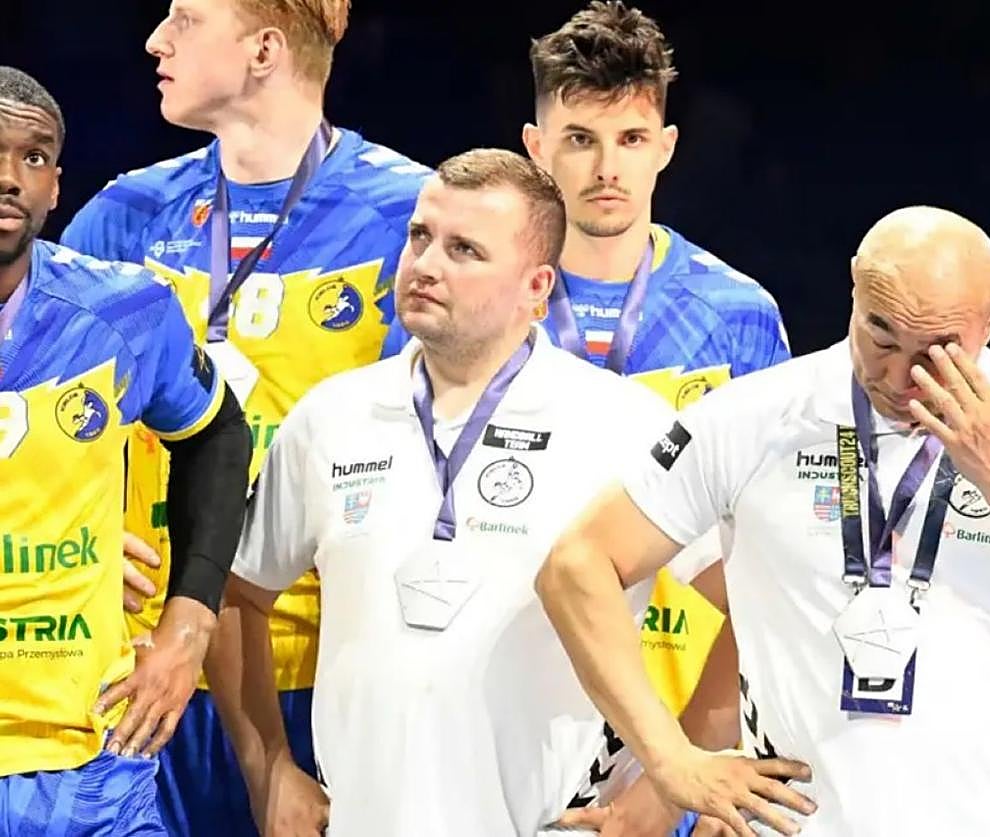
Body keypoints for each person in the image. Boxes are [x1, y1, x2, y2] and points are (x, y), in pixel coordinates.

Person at [536, 205, 990, 837]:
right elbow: (578, 566)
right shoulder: (754, 416)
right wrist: (669, 762)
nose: (901, 376)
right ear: (854, 285)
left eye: (937, 351)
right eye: (881, 334)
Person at [208, 147, 728, 835]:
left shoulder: (622, 423)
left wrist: (671, 784)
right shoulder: (331, 417)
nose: (425, 264)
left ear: (536, 287)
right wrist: (268, 766)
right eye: (419, 236)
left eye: (464, 250)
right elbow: (238, 594)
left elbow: (754, 607)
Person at [382, 4, 790, 812]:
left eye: (630, 139)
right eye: (579, 138)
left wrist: (680, 776)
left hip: (676, 736)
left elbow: (768, 570)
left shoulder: (736, 318)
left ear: (665, 147)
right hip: (493, 722)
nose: (607, 168)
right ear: (535, 147)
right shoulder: (472, 301)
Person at [58, 1, 430, 834]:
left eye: (185, 19)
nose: (156, 39)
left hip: (328, 675)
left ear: (264, 51)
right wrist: (74, 529)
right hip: (136, 668)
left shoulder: (413, 218)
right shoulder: (125, 216)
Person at [0, 66, 251, 834]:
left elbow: (218, 434)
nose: (10, 177)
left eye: (33, 157)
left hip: (90, 766)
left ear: (55, 186)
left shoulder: (126, 311)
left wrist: (188, 625)